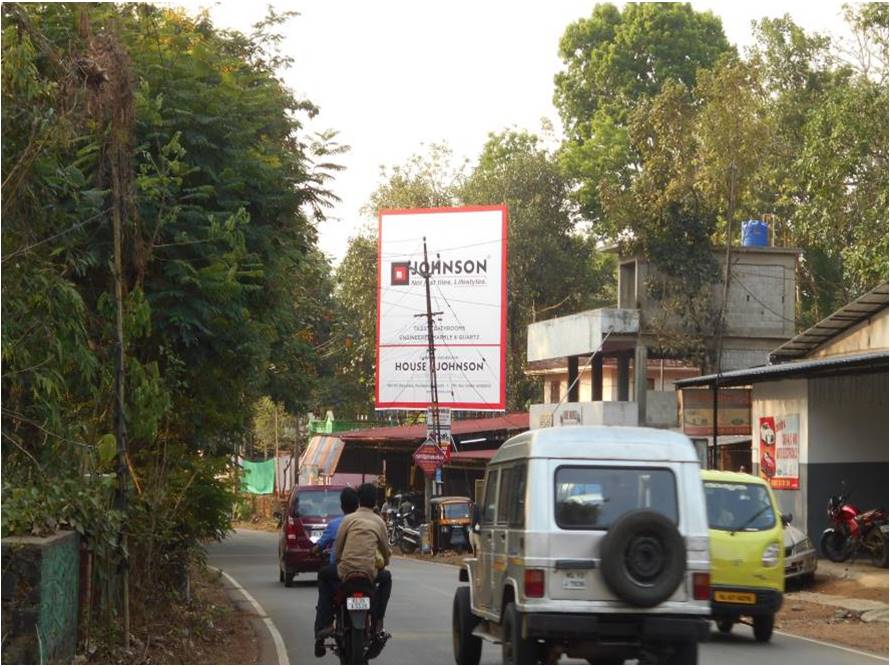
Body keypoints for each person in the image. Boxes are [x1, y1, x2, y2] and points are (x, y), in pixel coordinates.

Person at [314, 483, 392, 656]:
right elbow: (386, 552)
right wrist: (382, 563)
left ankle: (323, 624)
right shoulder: (379, 522)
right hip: (368, 573)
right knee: (386, 578)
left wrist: (342, 563)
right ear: (375, 501)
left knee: (323, 575)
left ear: (359, 500)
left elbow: (339, 550)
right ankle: (378, 619)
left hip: (346, 573)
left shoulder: (348, 520)